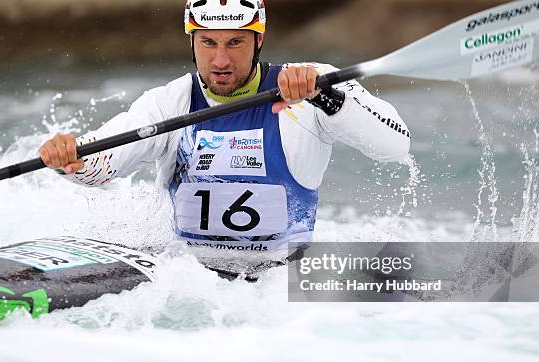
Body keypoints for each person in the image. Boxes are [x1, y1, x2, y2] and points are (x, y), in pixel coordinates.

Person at [39, 0, 411, 273]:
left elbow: (396, 146)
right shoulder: (169, 102)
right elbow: (103, 166)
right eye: (208, 43)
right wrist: (71, 159)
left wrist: (326, 98)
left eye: (235, 43)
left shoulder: (310, 85)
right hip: (188, 279)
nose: (220, 61)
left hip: (277, 279)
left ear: (258, 42)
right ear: (191, 42)